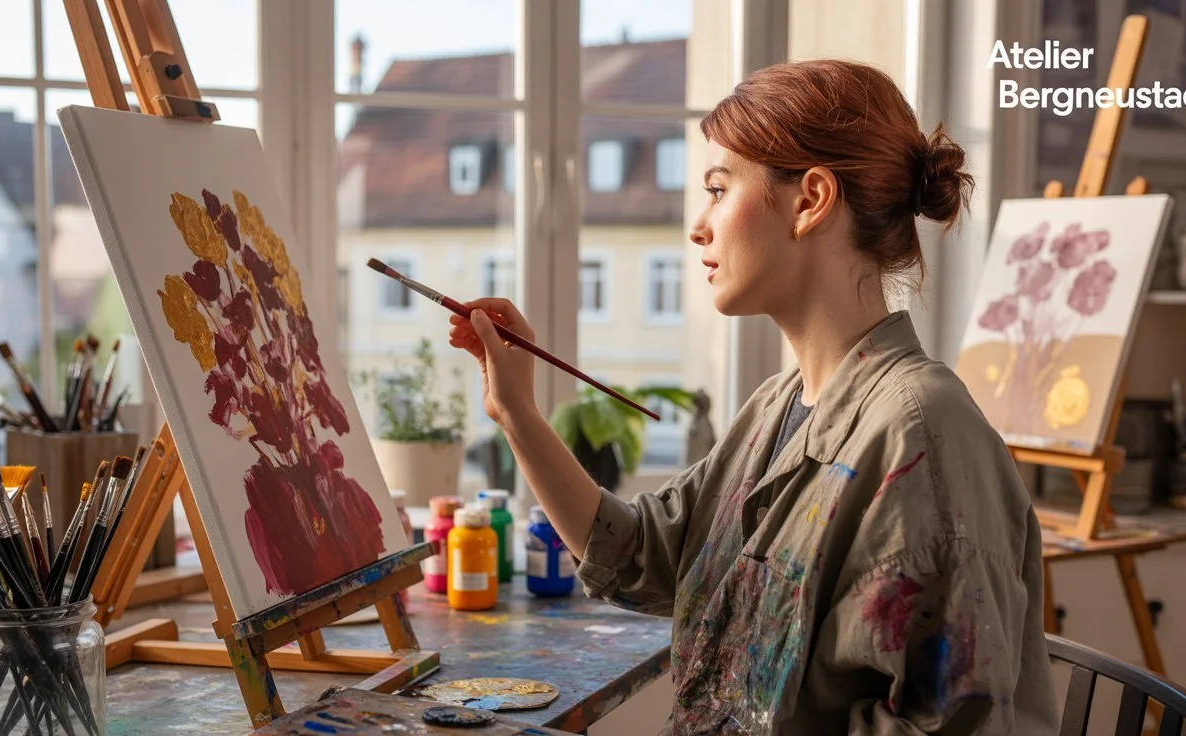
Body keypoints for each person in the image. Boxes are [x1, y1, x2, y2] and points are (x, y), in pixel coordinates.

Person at [448, 59, 1059, 735]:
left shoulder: (921, 433)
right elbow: (641, 558)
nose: (697, 226)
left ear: (809, 200)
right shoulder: (777, 408)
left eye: (717, 188)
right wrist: (516, 414)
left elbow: (950, 724)